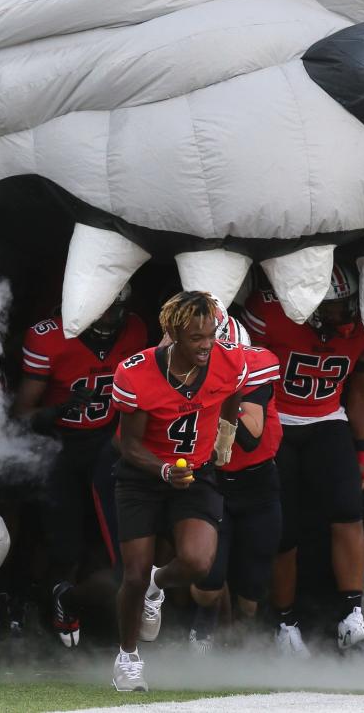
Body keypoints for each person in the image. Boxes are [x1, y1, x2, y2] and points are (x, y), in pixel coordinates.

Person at [109, 291, 247, 692]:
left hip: (195, 473)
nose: (206, 346)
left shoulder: (228, 360)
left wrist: (226, 433)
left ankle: (159, 584)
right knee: (133, 575)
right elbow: (127, 444)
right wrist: (164, 469)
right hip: (143, 475)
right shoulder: (135, 373)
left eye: (211, 336)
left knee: (199, 562)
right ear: (171, 334)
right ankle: (128, 657)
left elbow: (235, 388)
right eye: (195, 338)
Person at [243, 265, 364, 656]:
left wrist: (362, 453)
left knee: (348, 511)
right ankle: (285, 622)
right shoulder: (271, 313)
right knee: (283, 529)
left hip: (327, 418)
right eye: (335, 308)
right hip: (277, 421)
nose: (345, 315)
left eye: (348, 305)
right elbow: (244, 378)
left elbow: (362, 388)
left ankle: (352, 615)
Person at [14, 286, 147, 648]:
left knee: (120, 544)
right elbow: (21, 414)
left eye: (114, 309)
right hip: (59, 446)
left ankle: (107, 621)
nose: (108, 319)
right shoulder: (48, 338)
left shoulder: (134, 330)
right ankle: (51, 612)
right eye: (101, 309)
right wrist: (56, 412)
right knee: (63, 544)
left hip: (109, 442)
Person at [189, 314, 283, 652]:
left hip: (257, 484)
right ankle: (203, 627)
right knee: (209, 579)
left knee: (251, 591)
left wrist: (216, 395)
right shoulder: (176, 370)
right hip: (210, 482)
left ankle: (241, 643)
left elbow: (250, 439)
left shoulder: (258, 368)